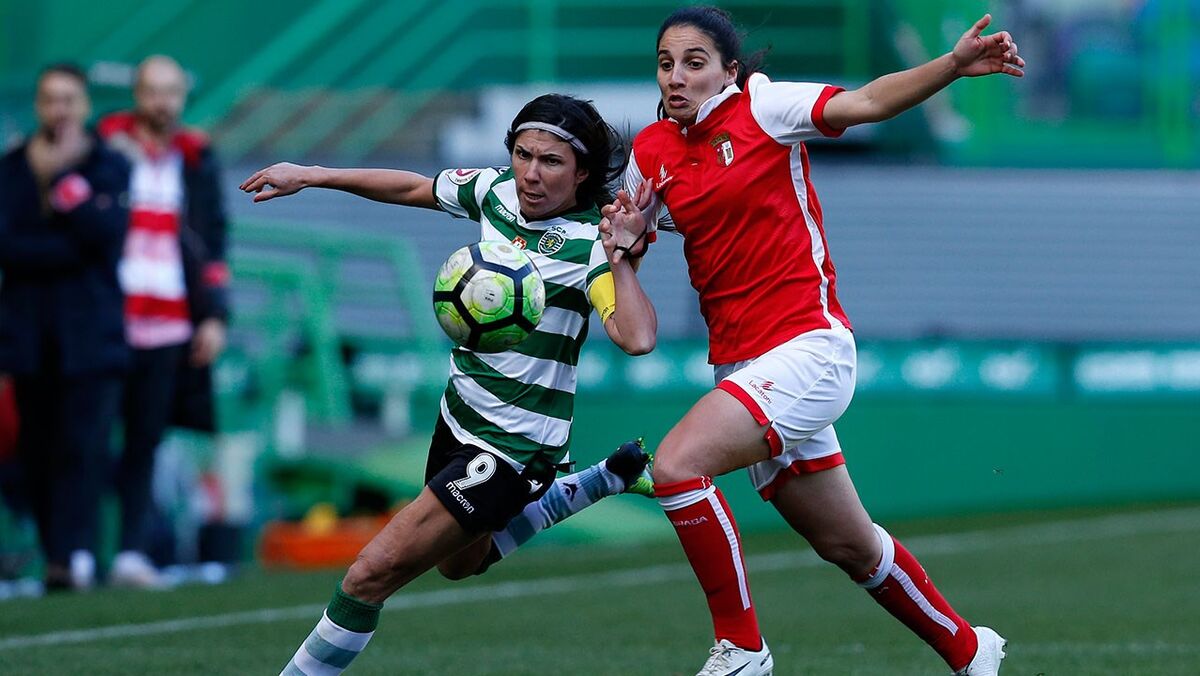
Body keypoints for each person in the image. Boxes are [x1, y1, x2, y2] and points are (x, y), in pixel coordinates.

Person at [600, 7, 1025, 675]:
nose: (676, 76)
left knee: (678, 466)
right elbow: (629, 273)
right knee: (850, 547)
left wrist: (951, 65)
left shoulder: (765, 108)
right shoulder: (652, 152)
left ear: (729, 71)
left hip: (808, 349)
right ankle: (972, 652)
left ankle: (742, 649)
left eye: (694, 62)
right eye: (665, 64)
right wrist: (623, 250)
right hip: (741, 368)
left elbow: (868, 101)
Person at [240, 93, 658, 675]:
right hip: (458, 416)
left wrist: (620, 260)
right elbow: (413, 186)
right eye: (523, 154)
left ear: (582, 172)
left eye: (551, 161)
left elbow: (637, 338)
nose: (531, 173)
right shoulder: (496, 192)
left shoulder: (591, 245)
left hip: (512, 448)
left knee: (369, 575)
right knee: (459, 564)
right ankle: (599, 481)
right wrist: (313, 175)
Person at [96, 55, 232, 588]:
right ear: (137, 94)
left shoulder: (195, 159)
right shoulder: (106, 148)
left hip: (170, 325)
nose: (162, 103)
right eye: (153, 91)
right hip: (106, 320)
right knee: (83, 439)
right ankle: (75, 553)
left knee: (145, 441)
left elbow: (213, 242)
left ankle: (130, 552)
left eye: (171, 92)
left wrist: (214, 316)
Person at [0, 63, 131, 591]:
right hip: (29, 334)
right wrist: (70, 246)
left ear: (84, 105)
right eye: (50, 99)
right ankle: (56, 553)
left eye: (69, 99)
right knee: (36, 447)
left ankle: (76, 552)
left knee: (84, 446)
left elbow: (107, 234)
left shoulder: (108, 165)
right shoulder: (12, 167)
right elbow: (8, 245)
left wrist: (64, 184)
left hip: (90, 336)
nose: (59, 110)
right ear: (38, 105)